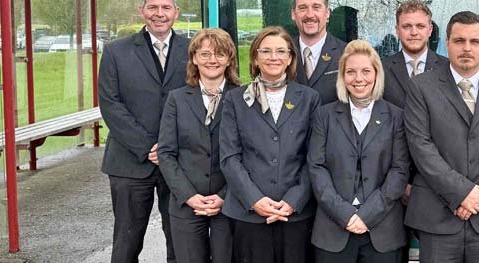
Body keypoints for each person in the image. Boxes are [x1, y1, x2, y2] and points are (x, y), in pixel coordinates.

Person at [404, 11, 479, 263]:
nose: (467, 48)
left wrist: (478, 198)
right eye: (459, 41)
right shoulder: (420, 87)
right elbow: (421, 146)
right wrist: (462, 193)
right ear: (446, 43)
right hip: (437, 217)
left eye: (475, 41)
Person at [98, 0, 187, 263]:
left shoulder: (194, 50)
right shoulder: (116, 52)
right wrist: (149, 146)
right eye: (152, 7)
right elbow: (110, 104)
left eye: (165, 7)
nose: (159, 13)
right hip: (129, 162)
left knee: (180, 240)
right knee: (126, 241)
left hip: (179, 161)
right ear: (141, 10)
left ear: (176, 12)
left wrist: (169, 147)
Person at [219, 26, 322, 263]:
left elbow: (315, 157)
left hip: (295, 214)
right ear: (255, 57)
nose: (273, 57)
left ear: (290, 58)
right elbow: (229, 157)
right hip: (249, 213)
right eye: (265, 51)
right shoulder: (236, 99)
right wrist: (254, 199)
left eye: (280, 51)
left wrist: (294, 200)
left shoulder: (309, 99)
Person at [308, 40, 411, 263]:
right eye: (351, 72)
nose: (359, 78)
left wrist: (367, 215)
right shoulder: (324, 116)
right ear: (342, 77)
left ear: (377, 74)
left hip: (383, 232)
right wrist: (345, 214)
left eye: (366, 71)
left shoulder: (396, 117)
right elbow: (316, 168)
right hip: (333, 231)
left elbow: (399, 171)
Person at [158, 28, 239, 263]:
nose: (212, 60)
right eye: (205, 54)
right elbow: (166, 152)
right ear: (194, 58)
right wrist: (189, 195)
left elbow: (249, 153)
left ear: (229, 59)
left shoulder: (243, 97)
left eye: (220, 54)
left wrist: (225, 195)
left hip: (230, 202)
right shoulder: (177, 99)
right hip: (186, 203)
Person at [380, 0, 449, 261]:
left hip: (434, 183)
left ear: (430, 29)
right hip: (390, 180)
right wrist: (400, 183)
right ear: (397, 30)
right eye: (407, 26)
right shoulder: (381, 70)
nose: (414, 32)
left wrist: (426, 182)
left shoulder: (448, 68)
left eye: (420, 26)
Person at [292, 0, 347, 104]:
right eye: (302, 8)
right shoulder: (284, 53)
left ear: (327, 13)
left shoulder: (346, 53)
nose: (310, 15)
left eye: (316, 7)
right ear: (293, 14)